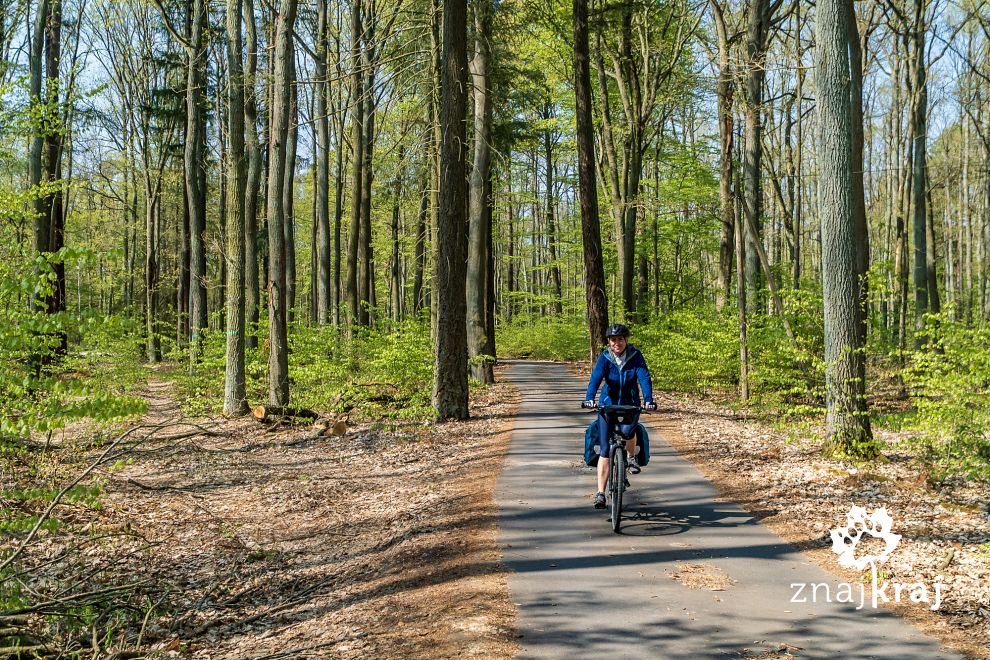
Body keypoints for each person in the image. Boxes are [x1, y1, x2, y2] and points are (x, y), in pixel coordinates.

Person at [583, 324, 657, 509]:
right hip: (608, 405)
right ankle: (600, 493)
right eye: (614, 339)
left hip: (630, 403)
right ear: (609, 341)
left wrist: (648, 400)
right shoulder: (605, 357)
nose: (617, 343)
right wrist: (589, 399)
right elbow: (595, 378)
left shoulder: (635, 356)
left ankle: (631, 457)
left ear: (626, 340)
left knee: (628, 431)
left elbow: (644, 377)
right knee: (606, 449)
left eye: (621, 339)